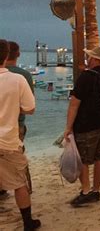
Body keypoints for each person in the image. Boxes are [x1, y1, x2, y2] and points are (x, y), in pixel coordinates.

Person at [64, 46, 100, 207]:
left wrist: (68, 127)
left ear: (95, 59)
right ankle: (96, 190)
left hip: (87, 125)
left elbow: (74, 104)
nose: (87, 59)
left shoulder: (86, 77)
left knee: (84, 158)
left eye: (89, 57)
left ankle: (85, 191)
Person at [0, 39, 41, 231]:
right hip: (8, 139)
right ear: (7, 55)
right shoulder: (18, 79)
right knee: (19, 182)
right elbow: (30, 108)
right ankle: (27, 222)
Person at [6, 41, 34, 142]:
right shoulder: (24, 75)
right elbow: (30, 108)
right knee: (15, 155)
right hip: (16, 125)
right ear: (18, 54)